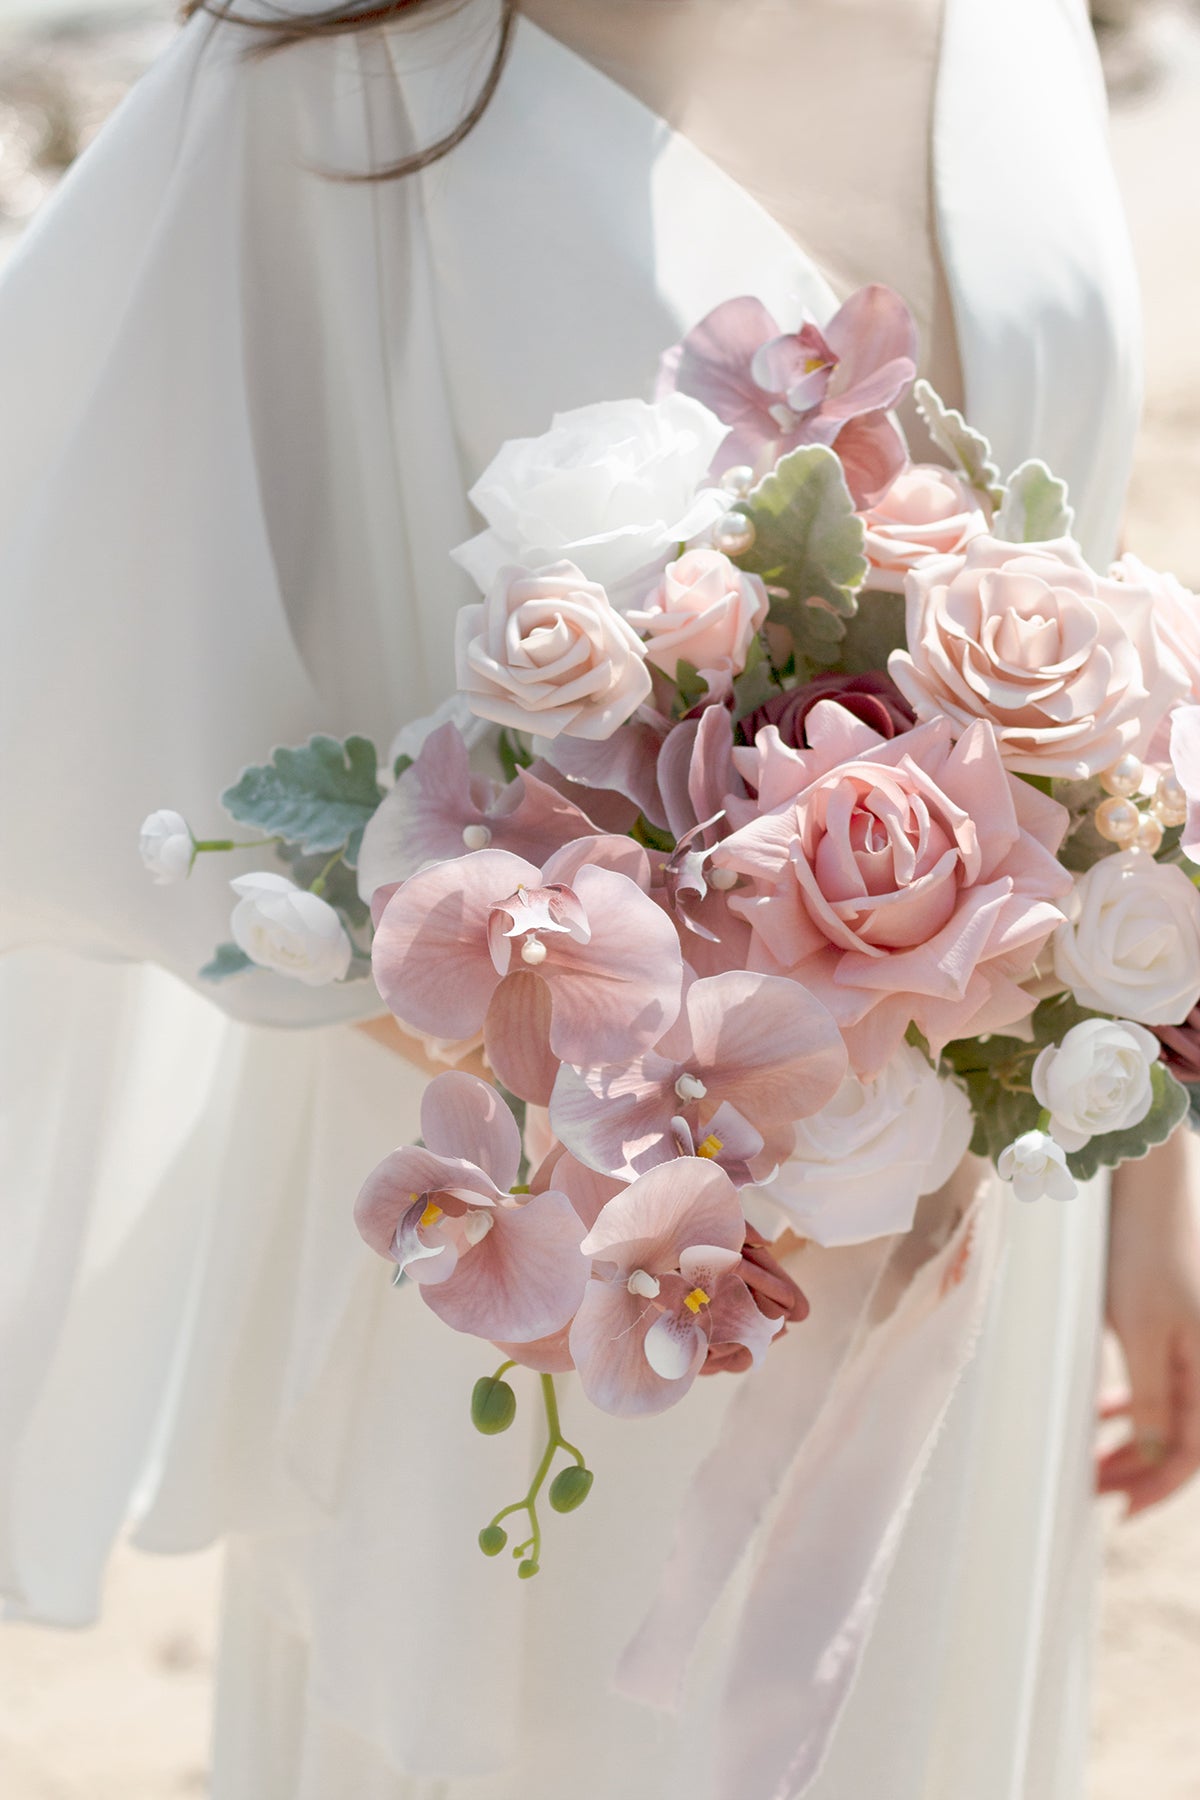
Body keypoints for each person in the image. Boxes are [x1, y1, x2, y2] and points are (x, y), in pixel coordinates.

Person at [1, 0, 1198, 1795]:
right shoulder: (332, 90)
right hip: (571, 1258)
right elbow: (75, 686)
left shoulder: (1018, 21)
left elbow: (1085, 580)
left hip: (977, 1239)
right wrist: (570, 994)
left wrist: (1145, 1172)